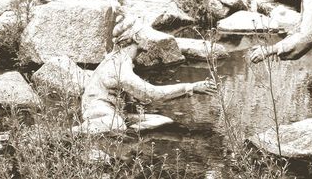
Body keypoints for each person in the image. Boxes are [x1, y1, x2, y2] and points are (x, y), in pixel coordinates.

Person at [74, 11, 217, 134]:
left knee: (162, 121)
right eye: (145, 35)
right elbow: (150, 94)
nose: (149, 39)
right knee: (118, 125)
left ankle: (131, 140)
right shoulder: (119, 67)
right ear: (136, 38)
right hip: (98, 114)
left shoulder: (121, 59)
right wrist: (191, 87)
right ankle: (76, 132)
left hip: (114, 111)